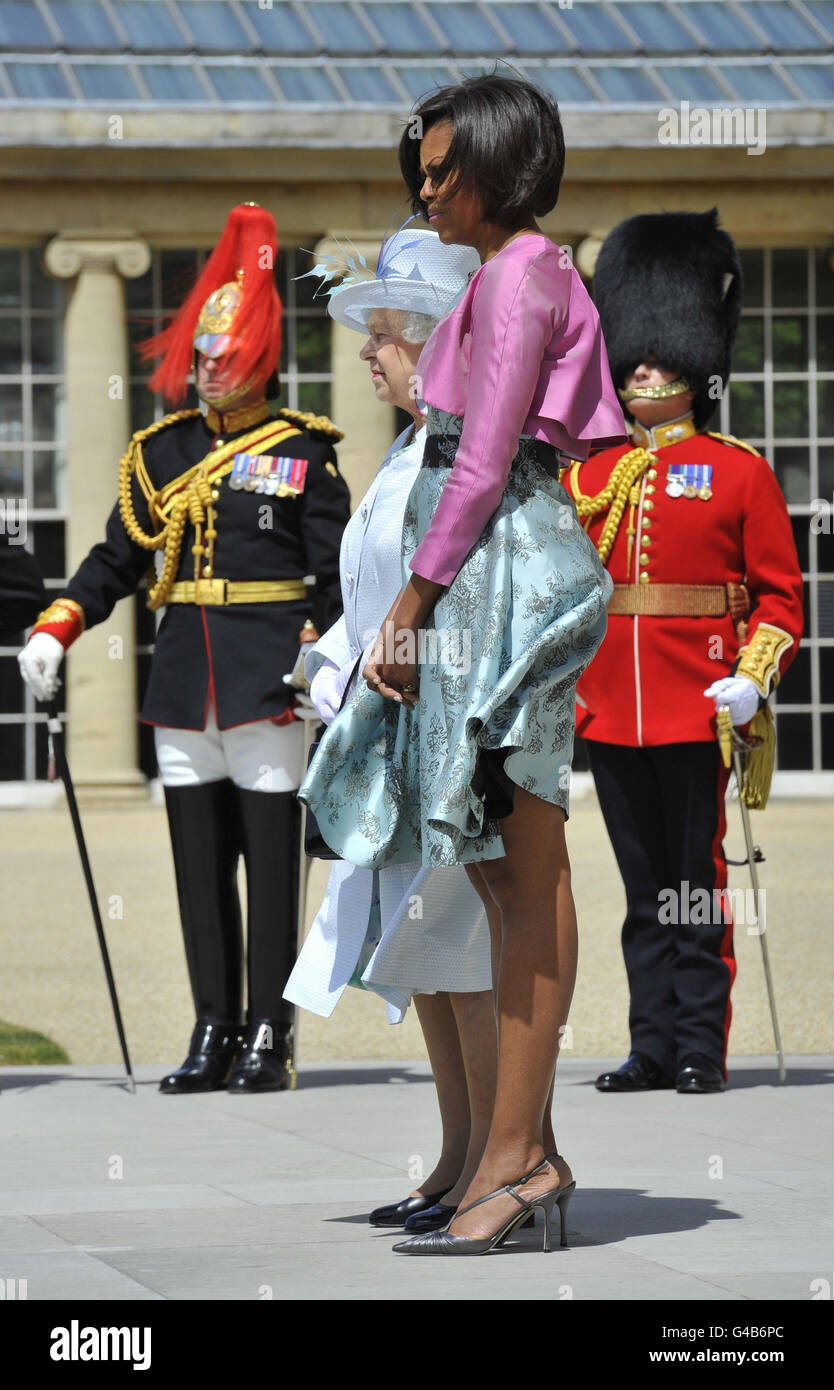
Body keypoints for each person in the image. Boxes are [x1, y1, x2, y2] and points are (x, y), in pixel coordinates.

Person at [299, 75, 626, 1255]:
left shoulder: (526, 270)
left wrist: (415, 605)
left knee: (525, 876)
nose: (426, 186)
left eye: (445, 168)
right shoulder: (503, 275)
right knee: (500, 876)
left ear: (501, 163)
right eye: (421, 168)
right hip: (482, 569)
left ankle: (519, 1159)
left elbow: (484, 461)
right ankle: (512, 1154)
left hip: (504, 571)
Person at [18, 203, 350, 1094]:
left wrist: (327, 658)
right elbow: (117, 559)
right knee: (197, 867)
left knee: (274, 872)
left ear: (258, 360)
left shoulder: (305, 453)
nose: (209, 372)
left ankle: (270, 1033)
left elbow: (336, 576)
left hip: (269, 676)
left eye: (226, 359)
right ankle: (213, 1024)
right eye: (202, 358)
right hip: (184, 680)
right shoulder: (159, 453)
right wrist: (60, 625)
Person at [286, 224, 501, 1234]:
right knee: (424, 960)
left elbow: (484, 599)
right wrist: (332, 662)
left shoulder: (468, 455)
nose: (369, 352)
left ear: (433, 337)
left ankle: (496, 1163)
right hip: (397, 736)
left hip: (450, 737)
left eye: (385, 333)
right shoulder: (413, 450)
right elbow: (377, 599)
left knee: (464, 957)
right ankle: (458, 1157)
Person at [566, 209, 804, 1095]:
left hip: (697, 709)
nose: (642, 369)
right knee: (640, 894)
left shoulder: (738, 470)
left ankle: (702, 1042)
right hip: (611, 712)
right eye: (634, 354)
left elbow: (780, 596)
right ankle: (651, 1042)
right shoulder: (588, 473)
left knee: (695, 889)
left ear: (697, 364)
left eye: (660, 355)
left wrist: (749, 682)